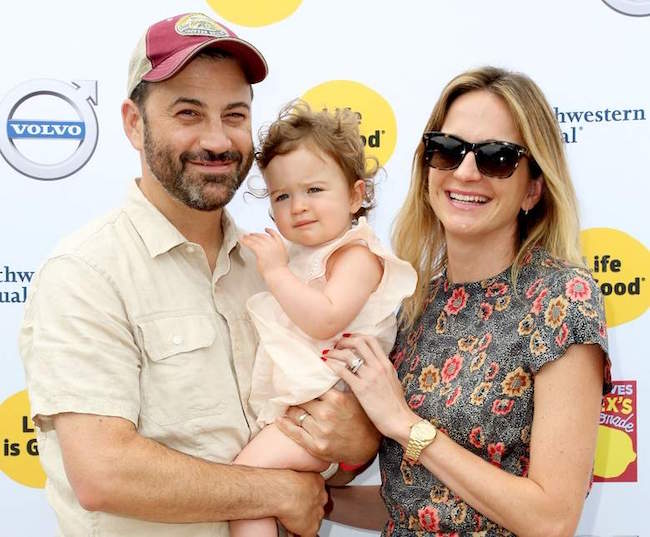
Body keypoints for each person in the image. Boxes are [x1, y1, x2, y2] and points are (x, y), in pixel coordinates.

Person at [18, 12, 379, 537]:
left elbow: (332, 438)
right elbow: (104, 473)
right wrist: (274, 490)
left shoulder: (276, 268)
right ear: (133, 122)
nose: (217, 140)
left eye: (234, 115)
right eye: (188, 113)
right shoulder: (85, 273)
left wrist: (356, 440)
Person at [317, 66, 611, 536]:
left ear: (533, 187)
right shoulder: (413, 304)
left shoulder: (560, 298)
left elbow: (552, 519)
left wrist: (404, 425)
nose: (466, 172)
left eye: (497, 157)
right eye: (447, 151)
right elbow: (421, 505)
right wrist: (317, 498)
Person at [228, 103, 417, 537]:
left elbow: (325, 320)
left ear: (355, 196)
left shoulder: (357, 254)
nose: (298, 207)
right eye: (282, 196)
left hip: (326, 409)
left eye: (314, 189)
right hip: (301, 407)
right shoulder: (299, 256)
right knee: (280, 504)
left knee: (245, 489)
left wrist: (274, 271)